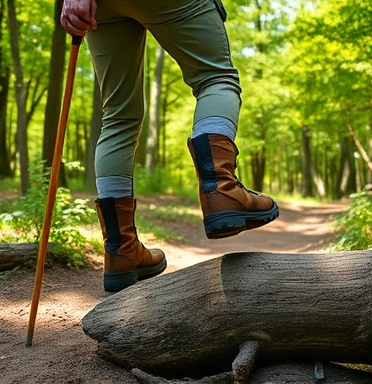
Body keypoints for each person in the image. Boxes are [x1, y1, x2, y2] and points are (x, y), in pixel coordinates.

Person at [60, 0, 279, 292]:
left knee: (118, 117)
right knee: (215, 78)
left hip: (101, 7)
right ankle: (222, 191)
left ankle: (121, 249)